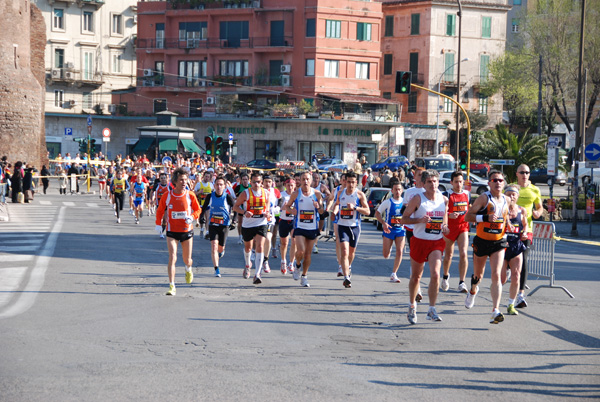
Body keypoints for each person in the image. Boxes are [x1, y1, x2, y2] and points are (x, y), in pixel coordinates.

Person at [401, 169, 449, 324]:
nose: (433, 184)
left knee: (435, 274)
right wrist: (419, 220)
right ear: (423, 183)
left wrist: (445, 226)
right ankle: (412, 305)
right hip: (419, 240)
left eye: (435, 181)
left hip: (436, 241)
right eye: (429, 181)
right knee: (416, 277)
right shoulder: (417, 199)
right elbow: (404, 219)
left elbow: (445, 215)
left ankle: (432, 309)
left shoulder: (443, 198)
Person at [464, 170, 510, 324]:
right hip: (482, 241)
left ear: (504, 183)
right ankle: (472, 291)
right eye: (494, 180)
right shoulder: (484, 198)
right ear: (489, 183)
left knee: (496, 275)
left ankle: (495, 310)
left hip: (498, 242)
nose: (498, 183)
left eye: (500, 180)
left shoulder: (507, 200)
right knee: (478, 275)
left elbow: (505, 216)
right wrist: (485, 217)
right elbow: (468, 216)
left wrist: (508, 225)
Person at [154, 167, 202, 296]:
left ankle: (188, 269)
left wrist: (192, 217)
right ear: (175, 182)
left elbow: (198, 210)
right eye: (181, 180)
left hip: (186, 230)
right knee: (172, 257)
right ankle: (172, 285)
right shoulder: (167, 195)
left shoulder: (190, 195)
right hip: (172, 231)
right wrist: (158, 224)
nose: (184, 182)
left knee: (187, 259)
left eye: (185, 180)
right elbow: (160, 210)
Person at [285, 171, 325, 287]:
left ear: (311, 181)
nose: (305, 181)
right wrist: (292, 210)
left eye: (308, 179)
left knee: (307, 255)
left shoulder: (317, 194)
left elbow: (322, 211)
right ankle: (297, 265)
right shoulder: (296, 194)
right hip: (299, 226)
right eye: (303, 179)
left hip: (312, 227)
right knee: (301, 251)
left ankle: (304, 276)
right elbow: (287, 206)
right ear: (300, 181)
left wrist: (318, 207)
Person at [332, 171, 370, 288]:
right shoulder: (340, 192)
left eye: (353, 182)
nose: (351, 185)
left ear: (356, 183)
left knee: (351, 253)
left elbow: (368, 211)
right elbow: (337, 204)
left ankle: (348, 267)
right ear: (345, 182)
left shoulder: (359, 195)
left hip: (355, 227)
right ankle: (346, 277)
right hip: (342, 225)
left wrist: (355, 208)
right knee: (344, 251)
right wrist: (334, 211)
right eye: (348, 182)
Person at [233, 171, 272, 285]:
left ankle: (258, 273)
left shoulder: (266, 193)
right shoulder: (245, 194)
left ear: (262, 182)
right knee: (248, 248)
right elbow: (235, 207)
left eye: (259, 182)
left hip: (261, 222)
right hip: (248, 224)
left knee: (260, 245)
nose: (256, 184)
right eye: (254, 182)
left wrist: (268, 213)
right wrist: (244, 212)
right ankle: (247, 264)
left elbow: (267, 206)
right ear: (251, 182)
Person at [513, 164, 543, 309]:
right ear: (517, 174)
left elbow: (539, 206)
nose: (525, 175)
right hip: (510, 230)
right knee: (509, 262)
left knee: (524, 261)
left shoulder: (535, 189)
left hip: (527, 230)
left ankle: (520, 294)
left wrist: (538, 212)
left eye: (527, 172)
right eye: (522, 172)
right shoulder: (512, 189)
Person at [441, 171, 471, 293]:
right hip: (450, 228)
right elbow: (440, 211)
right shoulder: (446, 195)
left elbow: (470, 207)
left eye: (460, 181)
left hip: (463, 227)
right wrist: (449, 215)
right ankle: (445, 276)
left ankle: (462, 282)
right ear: (451, 183)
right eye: (456, 182)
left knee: (464, 253)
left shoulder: (467, 194)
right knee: (449, 255)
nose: (459, 184)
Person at [202, 175, 235, 278]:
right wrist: (201, 218)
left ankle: (221, 252)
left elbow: (236, 208)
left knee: (220, 248)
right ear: (214, 185)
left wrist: (234, 221)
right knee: (214, 247)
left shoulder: (227, 197)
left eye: (221, 185)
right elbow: (203, 208)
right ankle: (216, 269)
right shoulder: (210, 196)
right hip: (213, 225)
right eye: (217, 184)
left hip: (224, 225)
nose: (219, 187)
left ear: (224, 186)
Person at [502, 185, 528, 316]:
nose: (511, 196)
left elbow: (525, 225)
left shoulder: (521, 210)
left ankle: (511, 304)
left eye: (514, 194)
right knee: (500, 279)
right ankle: (496, 300)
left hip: (516, 246)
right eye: (509, 194)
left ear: (518, 196)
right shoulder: (501, 210)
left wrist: (525, 233)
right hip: (501, 247)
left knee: (516, 276)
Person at [375, 178, 406, 283]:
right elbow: (377, 213)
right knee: (385, 254)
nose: (397, 191)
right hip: (389, 230)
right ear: (392, 191)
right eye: (395, 189)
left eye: (399, 189)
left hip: (401, 230)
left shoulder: (405, 203)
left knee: (400, 251)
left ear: (402, 190)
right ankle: (388, 249)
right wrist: (383, 223)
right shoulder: (388, 202)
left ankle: (394, 273)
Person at [278, 176, 297, 275]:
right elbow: (278, 208)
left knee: (294, 241)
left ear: (295, 186)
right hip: (284, 220)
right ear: (285, 186)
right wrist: (283, 207)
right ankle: (283, 261)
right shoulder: (282, 195)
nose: (290, 187)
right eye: (288, 185)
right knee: (284, 243)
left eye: (292, 185)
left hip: (293, 220)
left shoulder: (296, 195)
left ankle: (291, 263)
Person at [234, 173, 251, 244]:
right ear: (241, 180)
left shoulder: (251, 187)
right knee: (240, 222)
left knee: (249, 223)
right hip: (241, 208)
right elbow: (234, 196)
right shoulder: (238, 188)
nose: (245, 181)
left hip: (249, 209)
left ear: (248, 180)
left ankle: (248, 237)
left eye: (246, 179)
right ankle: (240, 236)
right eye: (243, 179)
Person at [152, 172, 170, 238]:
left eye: (164, 178)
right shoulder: (157, 186)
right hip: (158, 205)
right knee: (160, 219)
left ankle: (161, 232)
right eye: (161, 178)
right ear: (159, 179)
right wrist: (151, 199)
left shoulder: (169, 187)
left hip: (166, 205)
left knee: (165, 220)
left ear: (166, 179)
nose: (163, 179)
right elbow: (152, 191)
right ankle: (160, 231)